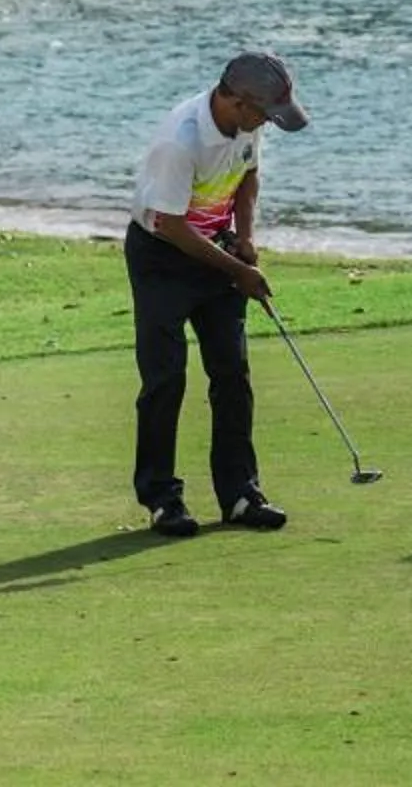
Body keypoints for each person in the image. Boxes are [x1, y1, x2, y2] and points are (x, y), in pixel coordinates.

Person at [125, 50, 311, 537]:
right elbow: (170, 225)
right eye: (264, 116)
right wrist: (238, 270)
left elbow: (248, 178)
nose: (266, 127)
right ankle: (162, 499)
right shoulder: (181, 141)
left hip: (217, 247)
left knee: (232, 373)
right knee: (165, 379)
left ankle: (240, 494)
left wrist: (245, 240)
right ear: (237, 101)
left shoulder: (247, 126)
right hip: (162, 256)